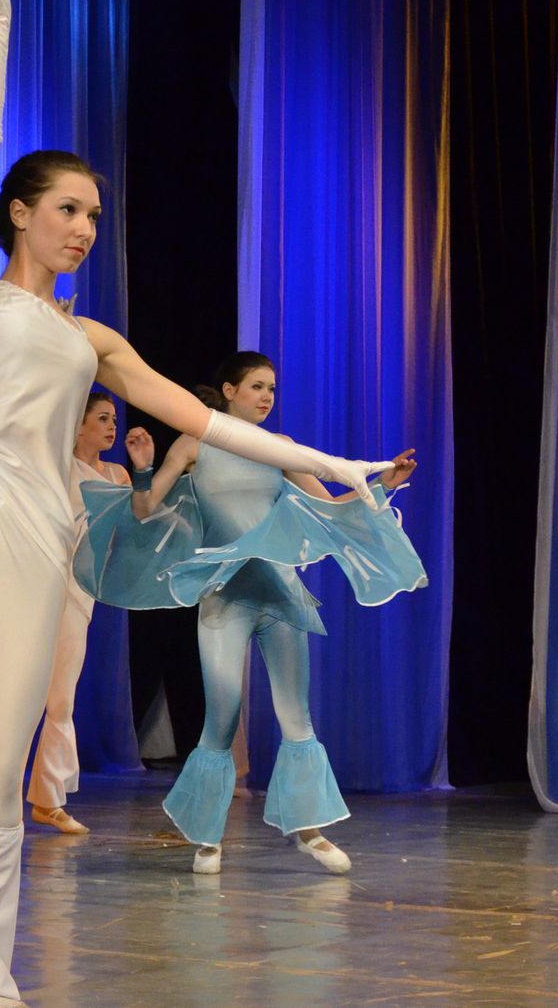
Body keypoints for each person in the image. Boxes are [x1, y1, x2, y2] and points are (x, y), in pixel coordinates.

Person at [0, 0, 395, 1001]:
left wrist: (329, 460)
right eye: (67, 208)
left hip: (33, 532)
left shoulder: (93, 338)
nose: (82, 228)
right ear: (21, 213)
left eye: (94, 217)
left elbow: (205, 419)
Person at [92, 352, 422, 875]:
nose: (267, 397)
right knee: (221, 721)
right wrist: (144, 469)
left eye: (272, 388)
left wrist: (387, 484)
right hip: (225, 599)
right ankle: (207, 838)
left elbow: (334, 507)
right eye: (256, 387)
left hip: (280, 595)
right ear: (229, 390)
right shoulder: (194, 443)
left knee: (297, 717)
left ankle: (308, 831)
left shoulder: (280, 448)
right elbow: (145, 509)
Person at [26, 392, 133, 835]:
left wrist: (145, 469)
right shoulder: (54, 466)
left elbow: (134, 528)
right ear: (78, 424)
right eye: (102, 418)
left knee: (61, 697)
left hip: (79, 588)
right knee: (24, 693)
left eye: (113, 420)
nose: (111, 427)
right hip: (39, 583)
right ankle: (7, 795)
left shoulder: (116, 475)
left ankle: (47, 800)